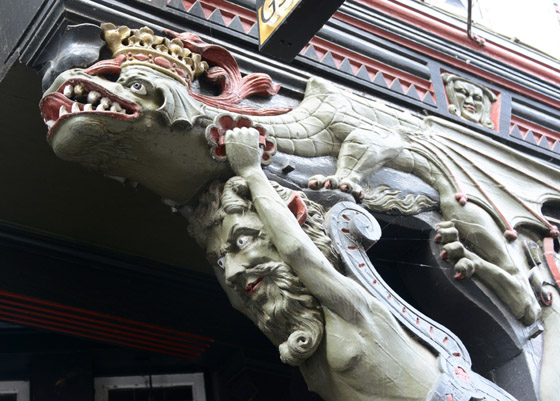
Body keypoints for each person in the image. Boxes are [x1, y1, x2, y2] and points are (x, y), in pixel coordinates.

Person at [187, 127, 441, 401]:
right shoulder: (295, 332)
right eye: (225, 262)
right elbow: (238, 302)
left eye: (241, 243)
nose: (233, 271)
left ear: (294, 216)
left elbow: (298, 252)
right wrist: (192, 220)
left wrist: (251, 171)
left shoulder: (349, 306)